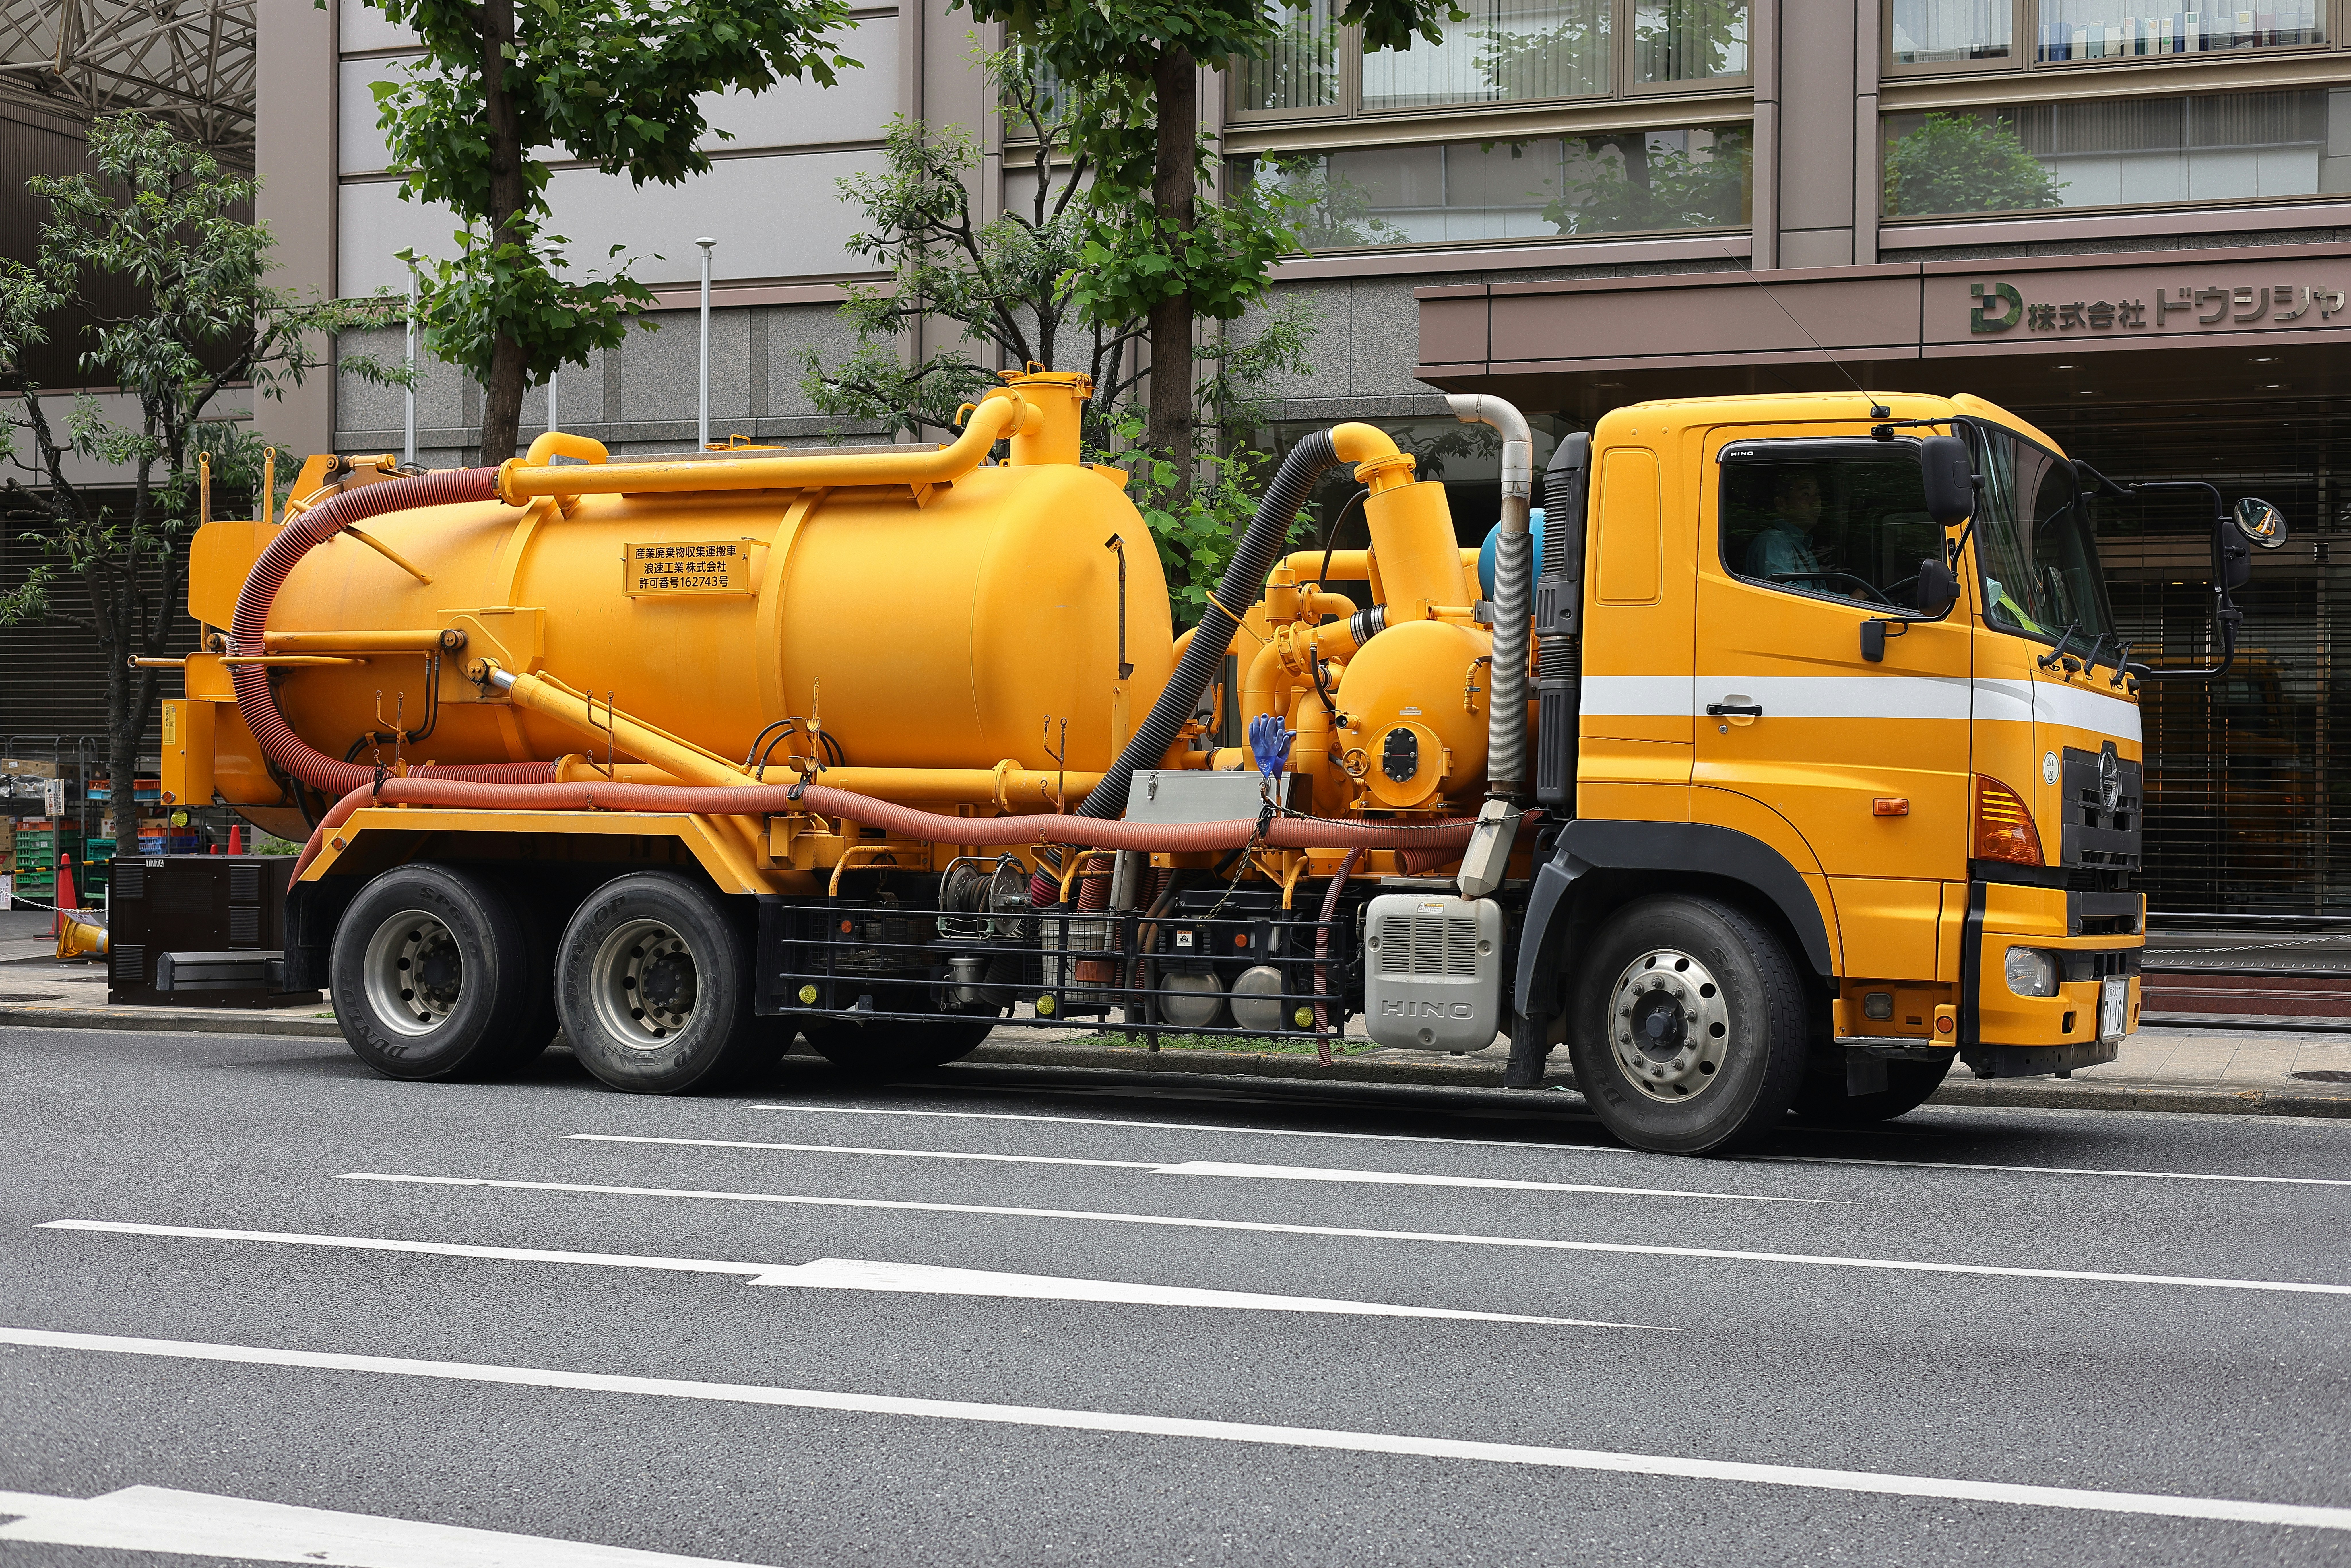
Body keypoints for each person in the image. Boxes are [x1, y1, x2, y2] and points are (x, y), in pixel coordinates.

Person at [1746, 469, 1830, 588]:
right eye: (1806, 494)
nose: (1816, 502)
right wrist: (1853, 599)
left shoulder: (1802, 546)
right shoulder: (1774, 542)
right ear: (1781, 504)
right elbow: (1788, 595)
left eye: (1817, 495)